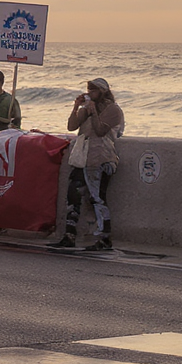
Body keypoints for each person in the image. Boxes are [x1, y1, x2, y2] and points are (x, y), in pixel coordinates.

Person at [51, 78, 124, 251]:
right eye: (88, 89)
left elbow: (100, 130)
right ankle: (69, 235)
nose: (90, 93)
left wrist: (94, 112)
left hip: (101, 158)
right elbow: (71, 126)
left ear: (103, 91)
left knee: (97, 197)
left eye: (93, 90)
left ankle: (104, 238)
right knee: (73, 194)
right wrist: (77, 107)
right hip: (83, 158)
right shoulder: (87, 109)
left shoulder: (113, 110)